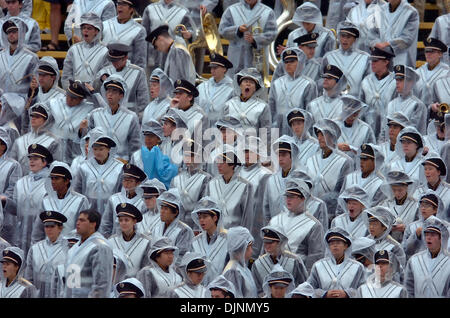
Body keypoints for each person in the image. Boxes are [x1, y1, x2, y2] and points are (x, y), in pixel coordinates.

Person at [3, 144, 53, 255]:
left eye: (35, 159)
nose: (31, 162)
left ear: (44, 162)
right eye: (30, 158)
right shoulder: (21, 182)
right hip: (20, 235)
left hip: (41, 235)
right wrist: (5, 201)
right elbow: (15, 209)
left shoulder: (50, 183)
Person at [268, 177, 325, 271]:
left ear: (303, 198)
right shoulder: (275, 220)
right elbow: (265, 249)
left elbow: (315, 256)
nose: (288, 200)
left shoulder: (313, 224)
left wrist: (305, 278)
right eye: (287, 196)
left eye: (292, 197)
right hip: (272, 271)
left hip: (297, 272)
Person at [305, 118, 354, 220]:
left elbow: (343, 193)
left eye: (323, 134)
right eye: (318, 135)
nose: (319, 138)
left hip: (331, 214)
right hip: (310, 213)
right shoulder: (311, 160)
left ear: (332, 136)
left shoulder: (345, 161)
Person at [31, 161, 90, 244]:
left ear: (66, 181)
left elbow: (84, 229)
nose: (53, 181)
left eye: (57, 178)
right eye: (52, 178)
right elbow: (38, 230)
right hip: (49, 248)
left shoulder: (80, 200)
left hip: (71, 247)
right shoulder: (46, 201)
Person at [85, 75, 141, 161]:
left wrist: (130, 166)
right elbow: (88, 142)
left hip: (122, 164)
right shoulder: (95, 114)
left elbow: (135, 147)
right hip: (99, 163)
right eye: (108, 90)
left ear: (121, 95)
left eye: (114, 91)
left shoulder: (131, 117)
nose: (110, 94)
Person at [63, 209, 114, 298]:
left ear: (93, 224)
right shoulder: (74, 247)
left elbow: (101, 284)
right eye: (78, 220)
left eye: (82, 220)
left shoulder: (100, 247)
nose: (77, 223)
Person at [218, 0, 277, 75]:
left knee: (257, 82)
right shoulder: (231, 9)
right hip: (237, 54)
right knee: (234, 81)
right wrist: (237, 29)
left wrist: (255, 39)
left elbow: (272, 33)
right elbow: (222, 30)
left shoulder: (268, 11)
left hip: (258, 56)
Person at [73, 127, 123, 215]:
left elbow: (121, 191)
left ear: (108, 149)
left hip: (112, 210)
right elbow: (77, 190)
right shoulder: (84, 167)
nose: (98, 152)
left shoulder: (119, 167)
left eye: (101, 149)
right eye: (95, 149)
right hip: (88, 211)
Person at [269, 48, 317, 136]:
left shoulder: (308, 84)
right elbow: (271, 109)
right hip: (278, 129)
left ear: (300, 62)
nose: (288, 64)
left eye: (292, 61)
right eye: (286, 62)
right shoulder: (277, 83)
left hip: (299, 129)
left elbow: (310, 113)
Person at [307, 227, 366, 298]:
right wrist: (324, 294)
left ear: (346, 246)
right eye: (331, 243)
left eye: (338, 243)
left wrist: (347, 293)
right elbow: (309, 288)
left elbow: (364, 289)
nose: (335, 245)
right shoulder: (318, 265)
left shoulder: (357, 267)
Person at [205, 145, 254, 230]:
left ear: (232, 164)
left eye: (222, 162)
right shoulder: (212, 184)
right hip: (215, 234)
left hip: (235, 234)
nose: (219, 165)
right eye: (218, 161)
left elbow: (247, 217)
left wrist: (244, 238)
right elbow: (206, 209)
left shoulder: (245, 186)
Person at [95, 43, 150, 118]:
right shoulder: (104, 71)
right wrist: (100, 80)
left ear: (125, 58)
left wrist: (140, 119)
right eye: (112, 60)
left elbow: (143, 100)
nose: (114, 63)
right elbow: (94, 91)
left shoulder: (138, 72)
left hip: (130, 115)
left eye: (116, 60)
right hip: (106, 115)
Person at [238, 135, 271, 257]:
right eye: (245, 151)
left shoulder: (265, 175)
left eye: (251, 151)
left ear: (258, 154)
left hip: (254, 222)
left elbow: (262, 209)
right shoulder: (237, 172)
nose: (247, 155)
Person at [251, 225, 308, 296]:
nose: (267, 245)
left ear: (279, 242)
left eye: (270, 242)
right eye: (265, 242)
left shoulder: (294, 261)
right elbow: (254, 290)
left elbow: (303, 286)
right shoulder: (257, 264)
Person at [141, 0, 196, 72]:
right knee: (152, 81)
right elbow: (143, 34)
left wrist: (189, 34)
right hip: (152, 57)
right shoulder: (150, 9)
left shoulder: (183, 11)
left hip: (174, 57)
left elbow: (191, 30)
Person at [24, 211, 69, 298]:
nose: (48, 229)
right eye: (46, 226)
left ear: (60, 228)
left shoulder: (68, 248)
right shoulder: (35, 248)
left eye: (52, 226)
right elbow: (28, 277)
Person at [49, 80, 94, 164]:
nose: (69, 99)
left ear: (81, 99)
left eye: (74, 98)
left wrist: (93, 93)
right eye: (68, 96)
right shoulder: (55, 103)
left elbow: (104, 109)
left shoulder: (88, 108)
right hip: (54, 148)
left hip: (74, 153)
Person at [404, 215, 450, 297]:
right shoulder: (414, 260)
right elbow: (409, 289)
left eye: (433, 235)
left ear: (441, 238)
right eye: (427, 234)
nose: (428, 238)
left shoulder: (448, 260)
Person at [322, 21, 370, 98]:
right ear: (338, 36)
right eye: (342, 36)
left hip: (356, 102)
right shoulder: (328, 57)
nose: (345, 40)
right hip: (333, 101)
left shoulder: (365, 58)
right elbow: (323, 83)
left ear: (355, 39)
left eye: (348, 37)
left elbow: (368, 85)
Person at [221, 68, 271, 142]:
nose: (248, 84)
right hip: (231, 147)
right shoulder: (229, 104)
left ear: (255, 88)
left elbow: (266, 132)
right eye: (245, 81)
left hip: (251, 148)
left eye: (251, 82)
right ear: (240, 85)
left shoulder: (263, 106)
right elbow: (222, 127)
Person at [61, 12, 109, 90]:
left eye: (89, 28)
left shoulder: (105, 51)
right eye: (83, 28)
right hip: (74, 95)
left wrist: (93, 91)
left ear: (97, 31)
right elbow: (66, 75)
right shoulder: (73, 49)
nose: (85, 31)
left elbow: (105, 77)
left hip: (95, 95)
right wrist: (71, 91)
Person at [10, 103, 61, 175]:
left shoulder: (53, 141)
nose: (33, 118)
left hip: (41, 181)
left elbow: (55, 165)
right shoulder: (20, 140)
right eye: (32, 116)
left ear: (46, 120)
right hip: (20, 182)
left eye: (37, 117)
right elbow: (12, 164)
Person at [171, 139, 211, 229]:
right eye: (186, 155)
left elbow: (203, 205)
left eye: (191, 156)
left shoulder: (205, 178)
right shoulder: (176, 178)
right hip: (177, 222)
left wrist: (198, 227)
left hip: (195, 223)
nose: (188, 158)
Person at [99, 163, 147, 238]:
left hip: (137, 240)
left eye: (130, 181)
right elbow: (106, 224)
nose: (126, 183)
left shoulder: (144, 201)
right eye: (124, 180)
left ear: (138, 183)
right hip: (116, 241)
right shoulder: (114, 199)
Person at [360, 46, 397, 141]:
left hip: (388, 129)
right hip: (368, 127)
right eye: (372, 61)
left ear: (386, 62)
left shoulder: (395, 81)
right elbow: (361, 107)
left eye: (376, 61)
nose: (372, 64)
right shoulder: (366, 81)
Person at [369, 0, 419, 67]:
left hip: (402, 57)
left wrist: (386, 44)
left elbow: (407, 39)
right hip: (381, 56)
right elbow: (373, 32)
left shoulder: (411, 12)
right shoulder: (380, 10)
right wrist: (376, 44)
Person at [129, 120, 178, 190]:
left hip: (161, 191)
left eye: (151, 136)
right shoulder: (136, 156)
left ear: (158, 138)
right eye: (146, 136)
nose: (148, 139)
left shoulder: (166, 154)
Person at [263, 135, 301, 223]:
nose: (280, 158)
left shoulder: (301, 178)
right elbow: (266, 208)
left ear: (292, 155)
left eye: (283, 155)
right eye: (278, 155)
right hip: (274, 229)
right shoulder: (271, 180)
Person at [190, 197, 228, 286]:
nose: (201, 220)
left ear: (215, 218)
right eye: (199, 217)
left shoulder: (228, 239)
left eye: (205, 217)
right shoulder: (195, 241)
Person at [108, 203, 152, 278]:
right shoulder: (111, 241)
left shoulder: (146, 241)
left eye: (126, 220)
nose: (123, 223)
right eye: (121, 220)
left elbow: (146, 268)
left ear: (134, 221)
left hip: (136, 284)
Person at [152, 188, 194, 266]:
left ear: (175, 212)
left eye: (166, 209)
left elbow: (181, 257)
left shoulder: (184, 230)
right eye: (161, 208)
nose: (162, 211)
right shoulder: (156, 228)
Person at [101, 0, 147, 70]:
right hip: (104, 72)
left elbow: (140, 60)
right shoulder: (105, 25)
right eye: (119, 3)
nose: (120, 6)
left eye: (124, 4)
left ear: (131, 9)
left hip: (125, 73)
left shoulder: (139, 30)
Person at [0, 17, 38, 98]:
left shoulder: (31, 57)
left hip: (20, 104)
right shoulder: (1, 55)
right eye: (8, 32)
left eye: (14, 31)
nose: (11, 34)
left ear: (21, 32)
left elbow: (35, 85)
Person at [402, 191, 446, 259]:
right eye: (422, 205)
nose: (423, 208)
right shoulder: (412, 226)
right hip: (418, 263)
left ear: (435, 209)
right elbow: (406, 250)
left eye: (427, 206)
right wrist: (415, 235)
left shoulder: (445, 226)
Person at [25, 56, 65, 131]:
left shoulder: (62, 96)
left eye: (44, 75)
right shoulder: (34, 92)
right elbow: (26, 117)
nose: (40, 78)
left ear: (53, 77)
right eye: (39, 74)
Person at [340, 143, 386, 208]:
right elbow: (341, 204)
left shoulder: (380, 183)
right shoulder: (350, 177)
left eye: (365, 159)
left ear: (374, 161)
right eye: (361, 158)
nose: (361, 162)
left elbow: (376, 208)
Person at [386, 65, 427, 135]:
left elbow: (415, 130)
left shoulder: (417, 104)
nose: (397, 82)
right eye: (396, 79)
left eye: (401, 80)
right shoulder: (391, 104)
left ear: (410, 82)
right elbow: (384, 130)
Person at [379, 170, 419, 243]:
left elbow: (419, 227)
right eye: (394, 190)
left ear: (406, 187)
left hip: (408, 243)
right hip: (388, 243)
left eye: (400, 190)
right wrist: (389, 228)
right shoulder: (385, 204)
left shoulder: (416, 205)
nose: (397, 193)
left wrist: (406, 228)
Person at [196, 53, 234, 126]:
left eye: (215, 68)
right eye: (211, 68)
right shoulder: (202, 86)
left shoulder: (232, 89)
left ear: (224, 69)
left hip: (220, 129)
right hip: (200, 127)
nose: (212, 70)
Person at [335, 96, 376, 160]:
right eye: (349, 113)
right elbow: (322, 148)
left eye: (355, 114)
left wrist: (354, 149)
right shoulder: (332, 125)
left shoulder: (365, 128)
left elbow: (373, 151)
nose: (351, 117)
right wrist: (336, 147)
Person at [0, 127, 22, 243]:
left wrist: (2, 199)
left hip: (6, 218)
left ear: (4, 145)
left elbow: (12, 191)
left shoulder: (13, 166)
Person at [222, 226, 257, 298]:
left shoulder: (242, 267)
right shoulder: (233, 271)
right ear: (243, 247)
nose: (251, 251)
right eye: (250, 246)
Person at [416, 37, 449, 107]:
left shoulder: (447, 73)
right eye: (426, 51)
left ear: (440, 54)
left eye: (432, 51)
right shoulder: (418, 72)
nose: (428, 54)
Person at [415, 153, 450, 218]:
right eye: (425, 169)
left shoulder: (448, 190)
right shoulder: (418, 191)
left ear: (439, 172)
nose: (427, 172)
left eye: (430, 169)